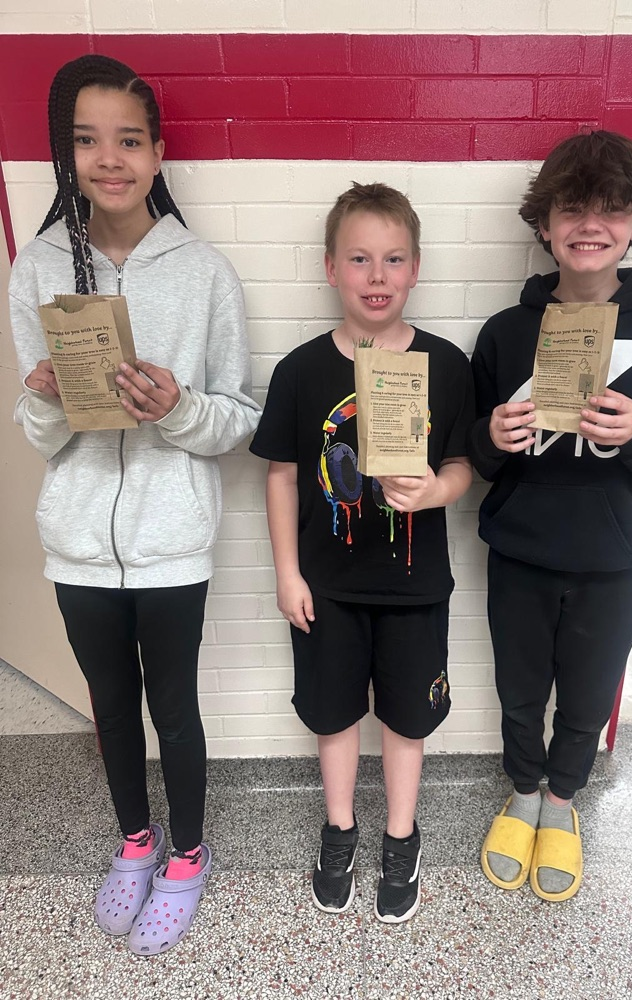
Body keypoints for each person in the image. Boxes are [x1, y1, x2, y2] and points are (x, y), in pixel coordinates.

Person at [9, 55, 261, 954]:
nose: (107, 158)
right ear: (64, 153)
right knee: (110, 708)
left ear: (157, 153)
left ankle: (189, 854)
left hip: (172, 541)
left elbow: (239, 418)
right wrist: (43, 393)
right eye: (86, 140)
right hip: (76, 542)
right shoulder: (36, 268)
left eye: (127, 139)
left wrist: (179, 408)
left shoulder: (202, 274)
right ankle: (135, 841)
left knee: (175, 710)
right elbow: (40, 436)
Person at [468, 130, 632, 902]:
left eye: (613, 209)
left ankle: (560, 803)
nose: (591, 224)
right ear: (543, 222)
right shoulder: (509, 331)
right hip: (520, 550)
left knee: (587, 690)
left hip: (618, 558)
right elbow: (469, 451)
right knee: (520, 686)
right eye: (572, 207)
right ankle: (520, 794)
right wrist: (494, 437)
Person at [250, 182, 475, 923]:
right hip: (329, 587)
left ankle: (401, 838)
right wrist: (287, 572)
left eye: (393, 259)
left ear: (416, 269)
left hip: (415, 589)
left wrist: (436, 493)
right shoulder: (302, 369)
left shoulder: (446, 365)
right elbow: (283, 474)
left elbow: (464, 466)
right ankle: (339, 828)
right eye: (359, 259)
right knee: (334, 716)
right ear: (330, 269)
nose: (376, 276)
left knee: (407, 722)